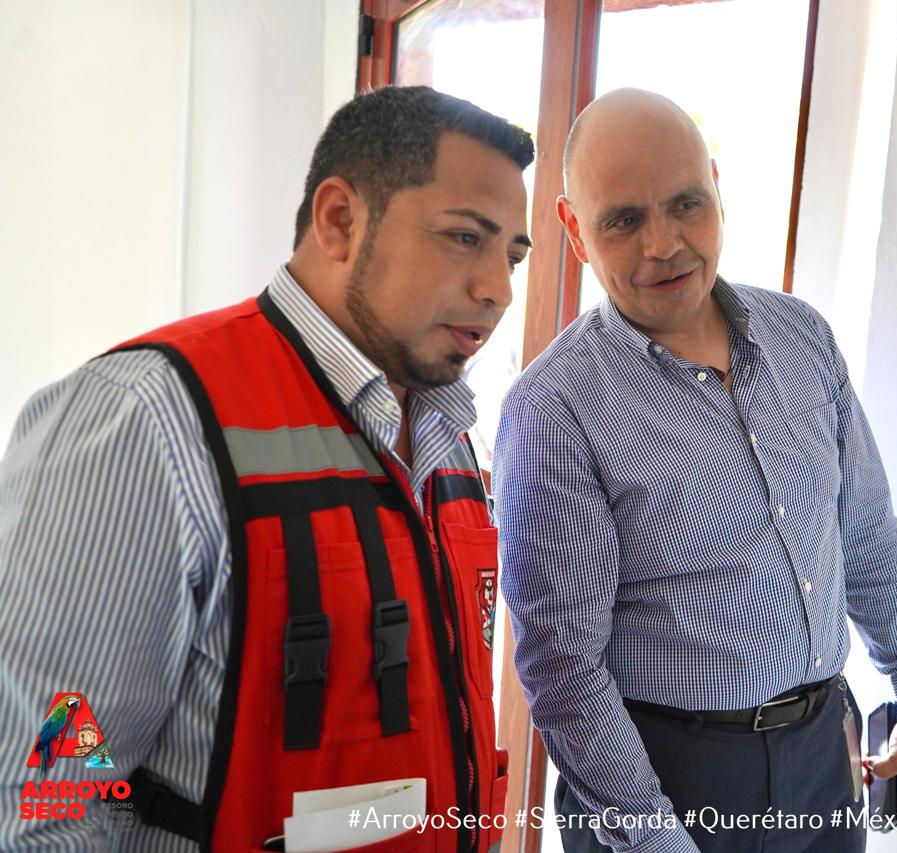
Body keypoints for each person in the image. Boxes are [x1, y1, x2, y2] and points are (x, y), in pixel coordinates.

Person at [0, 86, 533, 852]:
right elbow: (42, 800)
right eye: (464, 238)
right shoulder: (145, 419)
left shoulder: (445, 433)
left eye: (511, 255)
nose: (498, 289)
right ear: (339, 220)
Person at [493, 88, 897, 853]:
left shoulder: (802, 336)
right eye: (624, 220)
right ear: (575, 230)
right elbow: (565, 671)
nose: (664, 244)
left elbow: (863, 530)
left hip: (824, 752)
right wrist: (653, 839)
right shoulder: (555, 411)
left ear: (716, 187)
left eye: (686, 204)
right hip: (667, 779)